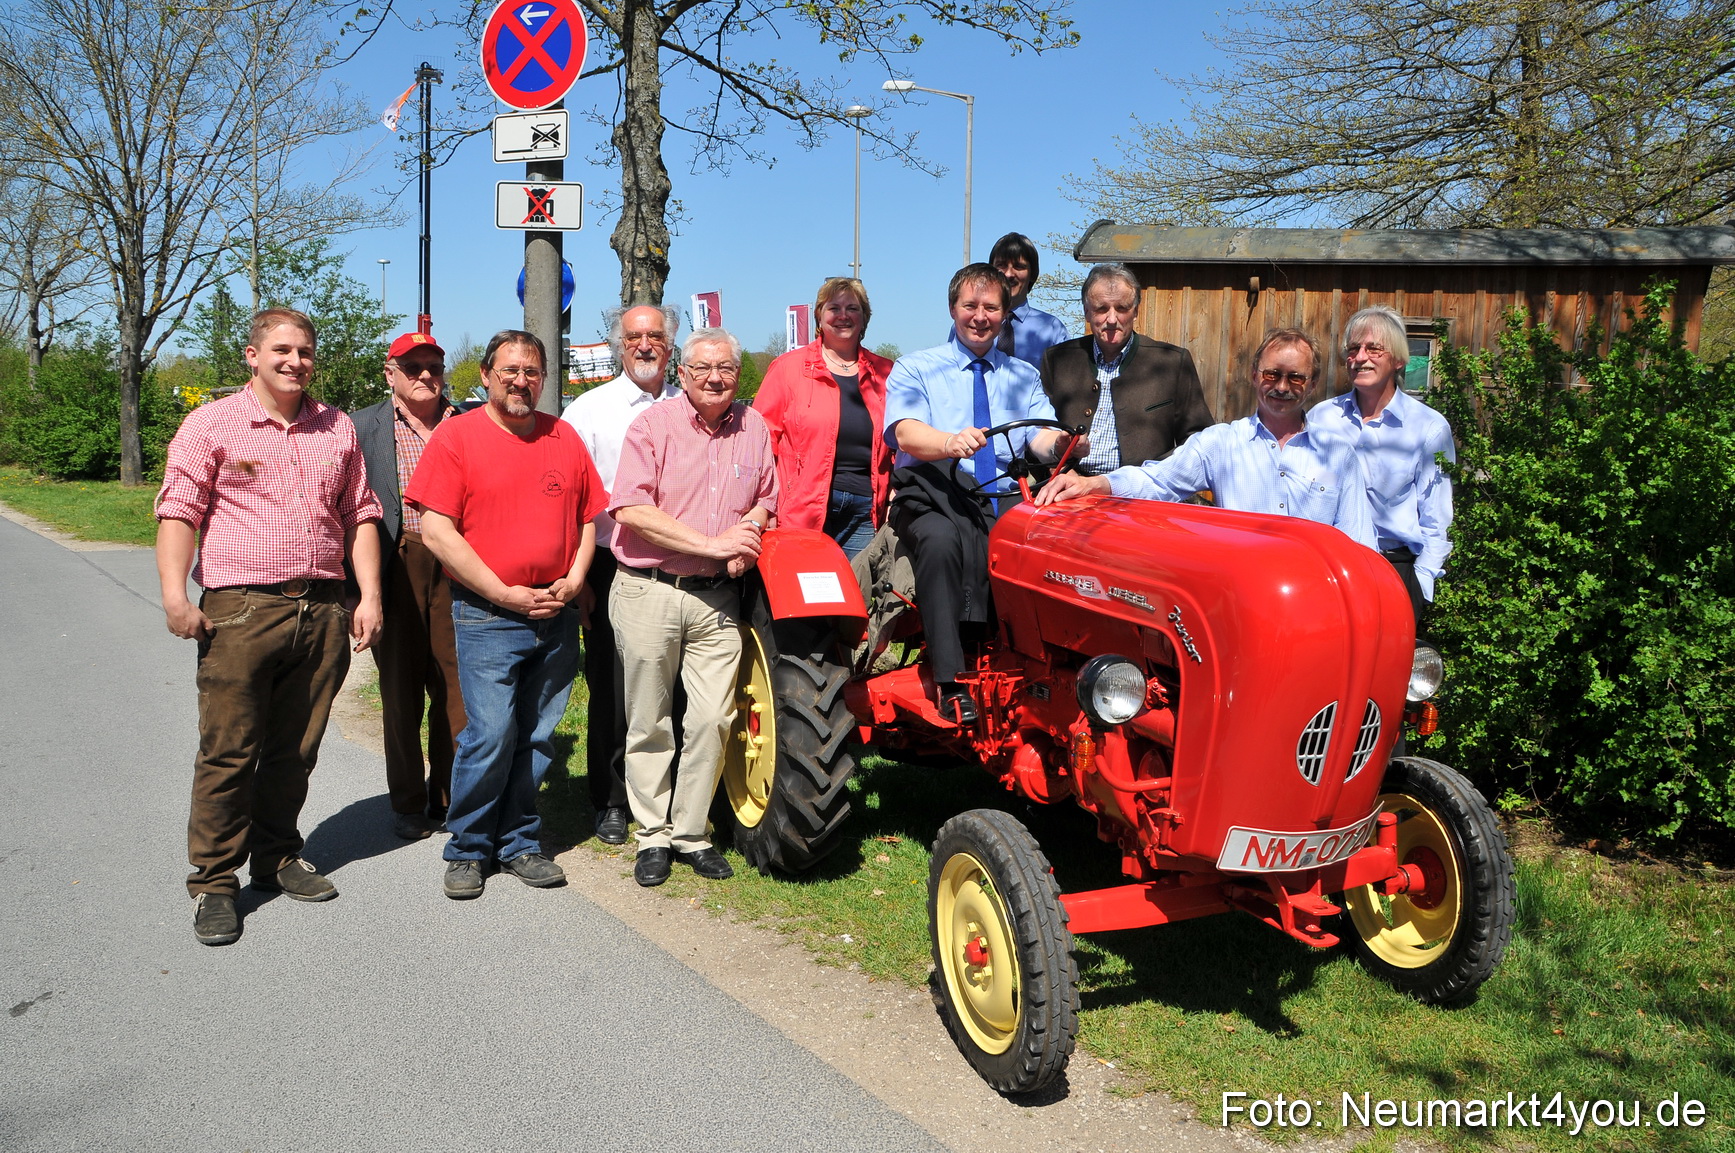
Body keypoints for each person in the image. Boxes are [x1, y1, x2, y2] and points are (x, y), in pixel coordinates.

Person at [155, 307, 384, 947]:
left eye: (304, 351)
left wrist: (369, 595)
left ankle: (276, 855)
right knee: (229, 750)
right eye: (281, 349)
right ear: (252, 356)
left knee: (296, 749)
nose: (295, 361)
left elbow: (360, 513)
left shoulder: (336, 426)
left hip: (323, 609)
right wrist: (175, 596)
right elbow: (179, 510)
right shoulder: (212, 423)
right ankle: (214, 882)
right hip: (240, 611)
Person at [406, 330, 605, 900]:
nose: (521, 381)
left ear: (544, 378)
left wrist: (576, 577)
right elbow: (437, 532)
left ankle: (519, 842)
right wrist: (502, 592)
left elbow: (588, 518)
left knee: (537, 737)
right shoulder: (457, 437)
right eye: (510, 371)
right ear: (487, 375)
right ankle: (469, 848)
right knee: (490, 734)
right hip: (488, 614)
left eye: (532, 371)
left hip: (555, 613)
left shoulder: (564, 436)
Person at [609, 327, 778, 888]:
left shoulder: (754, 427)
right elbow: (630, 508)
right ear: (682, 373)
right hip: (649, 589)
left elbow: (767, 499)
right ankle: (652, 835)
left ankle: (690, 833)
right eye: (702, 368)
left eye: (725, 368)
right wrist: (712, 544)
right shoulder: (652, 426)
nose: (714, 378)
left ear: (738, 374)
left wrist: (748, 533)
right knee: (649, 720)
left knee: (713, 719)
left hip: (716, 599)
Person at [884, 264, 1077, 725]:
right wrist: (948, 442)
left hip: (1001, 494)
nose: (979, 316)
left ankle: (1042, 669)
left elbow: (1038, 437)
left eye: (991, 307)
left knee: (1051, 544)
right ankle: (951, 680)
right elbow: (905, 432)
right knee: (940, 540)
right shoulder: (917, 367)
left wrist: (1063, 443)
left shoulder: (1023, 375)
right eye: (970, 305)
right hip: (932, 490)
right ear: (953, 309)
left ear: (1005, 314)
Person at [1037, 327, 1377, 554]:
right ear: (1254, 375)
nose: (1282, 387)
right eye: (1272, 374)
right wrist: (1095, 484)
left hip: (1316, 599)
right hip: (1244, 595)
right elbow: (1157, 480)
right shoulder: (1222, 444)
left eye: (1296, 378)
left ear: (1313, 384)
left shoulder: (1338, 455)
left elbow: (1360, 544)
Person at [559, 304, 681, 845]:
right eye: (634, 337)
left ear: (670, 345)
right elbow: (568, 502)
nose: (645, 345)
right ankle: (610, 799)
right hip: (611, 561)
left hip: (681, 562)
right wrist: (581, 576)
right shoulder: (589, 411)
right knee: (611, 685)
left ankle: (670, 794)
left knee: (675, 685)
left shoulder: (689, 403)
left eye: (655, 336)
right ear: (618, 345)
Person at [350, 332, 466, 841]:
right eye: (412, 366)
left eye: (433, 367)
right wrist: (357, 590)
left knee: (455, 685)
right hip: (396, 562)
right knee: (400, 689)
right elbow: (347, 508)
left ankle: (449, 794)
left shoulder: (468, 422)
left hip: (459, 564)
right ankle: (407, 801)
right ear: (389, 372)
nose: (424, 375)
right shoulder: (360, 427)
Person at [1306, 305, 1455, 623]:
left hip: (1393, 570)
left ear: (1398, 359)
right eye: (1353, 349)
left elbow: (1436, 517)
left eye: (1374, 348)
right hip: (1326, 570)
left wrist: (1420, 584)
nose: (1360, 357)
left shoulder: (1427, 427)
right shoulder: (1321, 418)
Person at [754, 277, 895, 556]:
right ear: (819, 315)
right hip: (802, 510)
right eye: (834, 308)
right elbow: (760, 443)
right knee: (806, 582)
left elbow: (898, 445)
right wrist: (764, 504)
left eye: (852, 308)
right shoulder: (788, 368)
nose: (843, 315)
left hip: (865, 511)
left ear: (864, 318)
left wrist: (894, 495)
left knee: (856, 584)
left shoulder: (886, 373)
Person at [1040, 262, 1216, 475]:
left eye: (1121, 308)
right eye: (1101, 309)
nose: (1112, 319)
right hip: (1068, 485)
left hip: (1143, 488)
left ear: (1135, 312)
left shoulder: (1171, 363)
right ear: (1087, 312)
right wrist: (1058, 472)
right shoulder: (1058, 360)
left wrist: (1152, 478)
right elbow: (1037, 433)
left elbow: (1197, 440)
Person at [986, 232, 1069, 368]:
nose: (1009, 274)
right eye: (1002, 265)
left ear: (1032, 274)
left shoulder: (1052, 329)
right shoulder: (971, 325)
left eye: (1018, 266)